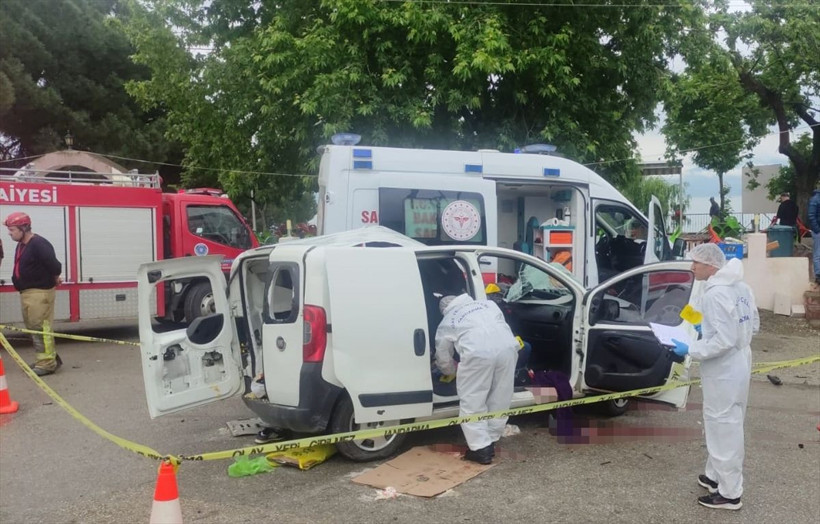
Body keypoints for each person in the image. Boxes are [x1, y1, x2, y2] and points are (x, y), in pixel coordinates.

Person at [669, 243, 759, 511]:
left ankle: (730, 493)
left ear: (711, 266)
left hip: (724, 368)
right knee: (729, 419)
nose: (692, 267)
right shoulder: (741, 287)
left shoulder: (715, 294)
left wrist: (691, 348)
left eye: (696, 262)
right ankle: (715, 476)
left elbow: (723, 341)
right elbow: (753, 325)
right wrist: (704, 325)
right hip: (740, 360)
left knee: (723, 426)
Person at [435, 293, 519, 465]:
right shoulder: (488, 305)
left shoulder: (449, 320)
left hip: (477, 355)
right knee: (500, 396)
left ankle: (481, 449)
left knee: (472, 401)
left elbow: (443, 354)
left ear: (445, 309)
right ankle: (492, 440)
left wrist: (450, 371)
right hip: (507, 349)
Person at [4, 212, 64, 376]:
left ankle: (47, 364)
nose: (9, 233)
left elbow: (55, 266)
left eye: (12, 229)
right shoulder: (22, 244)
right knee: (34, 328)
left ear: (23, 228)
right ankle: (47, 359)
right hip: (28, 293)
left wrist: (54, 277)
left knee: (40, 329)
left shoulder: (39, 244)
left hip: (39, 293)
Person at [808, 186, 820, 285]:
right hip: (818, 231)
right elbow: (811, 216)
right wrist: (817, 230)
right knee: (817, 254)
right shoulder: (815, 199)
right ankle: (818, 275)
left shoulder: (815, 199)